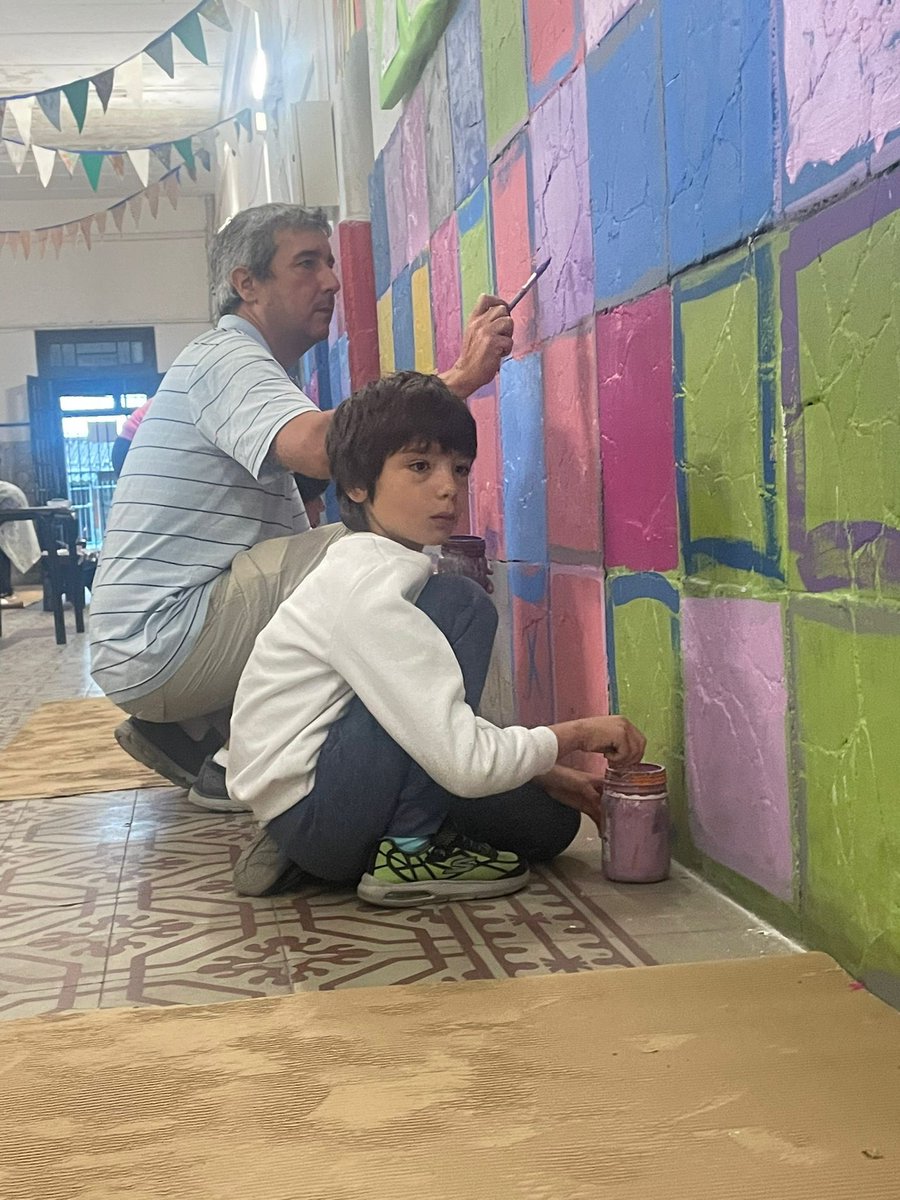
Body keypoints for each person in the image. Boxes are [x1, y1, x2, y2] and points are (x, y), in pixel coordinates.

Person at [89, 204, 513, 810]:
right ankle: (271, 767)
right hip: (164, 640)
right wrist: (462, 377)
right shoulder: (226, 358)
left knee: (349, 565)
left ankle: (200, 734)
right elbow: (322, 447)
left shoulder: (250, 368)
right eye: (306, 264)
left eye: (331, 263)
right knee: (373, 553)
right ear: (247, 283)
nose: (332, 281)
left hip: (154, 643)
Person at [227, 372, 646, 905]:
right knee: (462, 604)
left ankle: (383, 840)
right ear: (357, 485)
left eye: (460, 468)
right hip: (317, 812)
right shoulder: (367, 587)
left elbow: (431, 717)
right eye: (419, 466)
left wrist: (546, 773)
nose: (448, 487)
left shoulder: (383, 566)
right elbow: (463, 761)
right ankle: (408, 849)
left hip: (327, 796)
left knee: (549, 824)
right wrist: (580, 733)